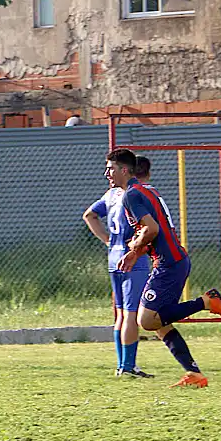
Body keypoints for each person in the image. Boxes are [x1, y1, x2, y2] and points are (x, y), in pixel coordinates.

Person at [110, 149, 221, 388]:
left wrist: (134, 248)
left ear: (124, 170)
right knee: (160, 322)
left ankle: (206, 302)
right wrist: (137, 252)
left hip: (168, 264)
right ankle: (194, 373)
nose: (107, 174)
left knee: (147, 320)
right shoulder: (147, 191)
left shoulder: (131, 196)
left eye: (110, 169)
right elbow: (157, 231)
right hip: (173, 261)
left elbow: (152, 229)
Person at [85, 157, 154, 379]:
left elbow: (89, 215)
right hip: (132, 260)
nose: (107, 173)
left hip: (114, 258)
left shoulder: (111, 194)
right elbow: (150, 227)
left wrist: (108, 240)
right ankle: (128, 366)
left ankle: (122, 365)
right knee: (131, 315)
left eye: (110, 169)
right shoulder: (134, 194)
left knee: (122, 314)